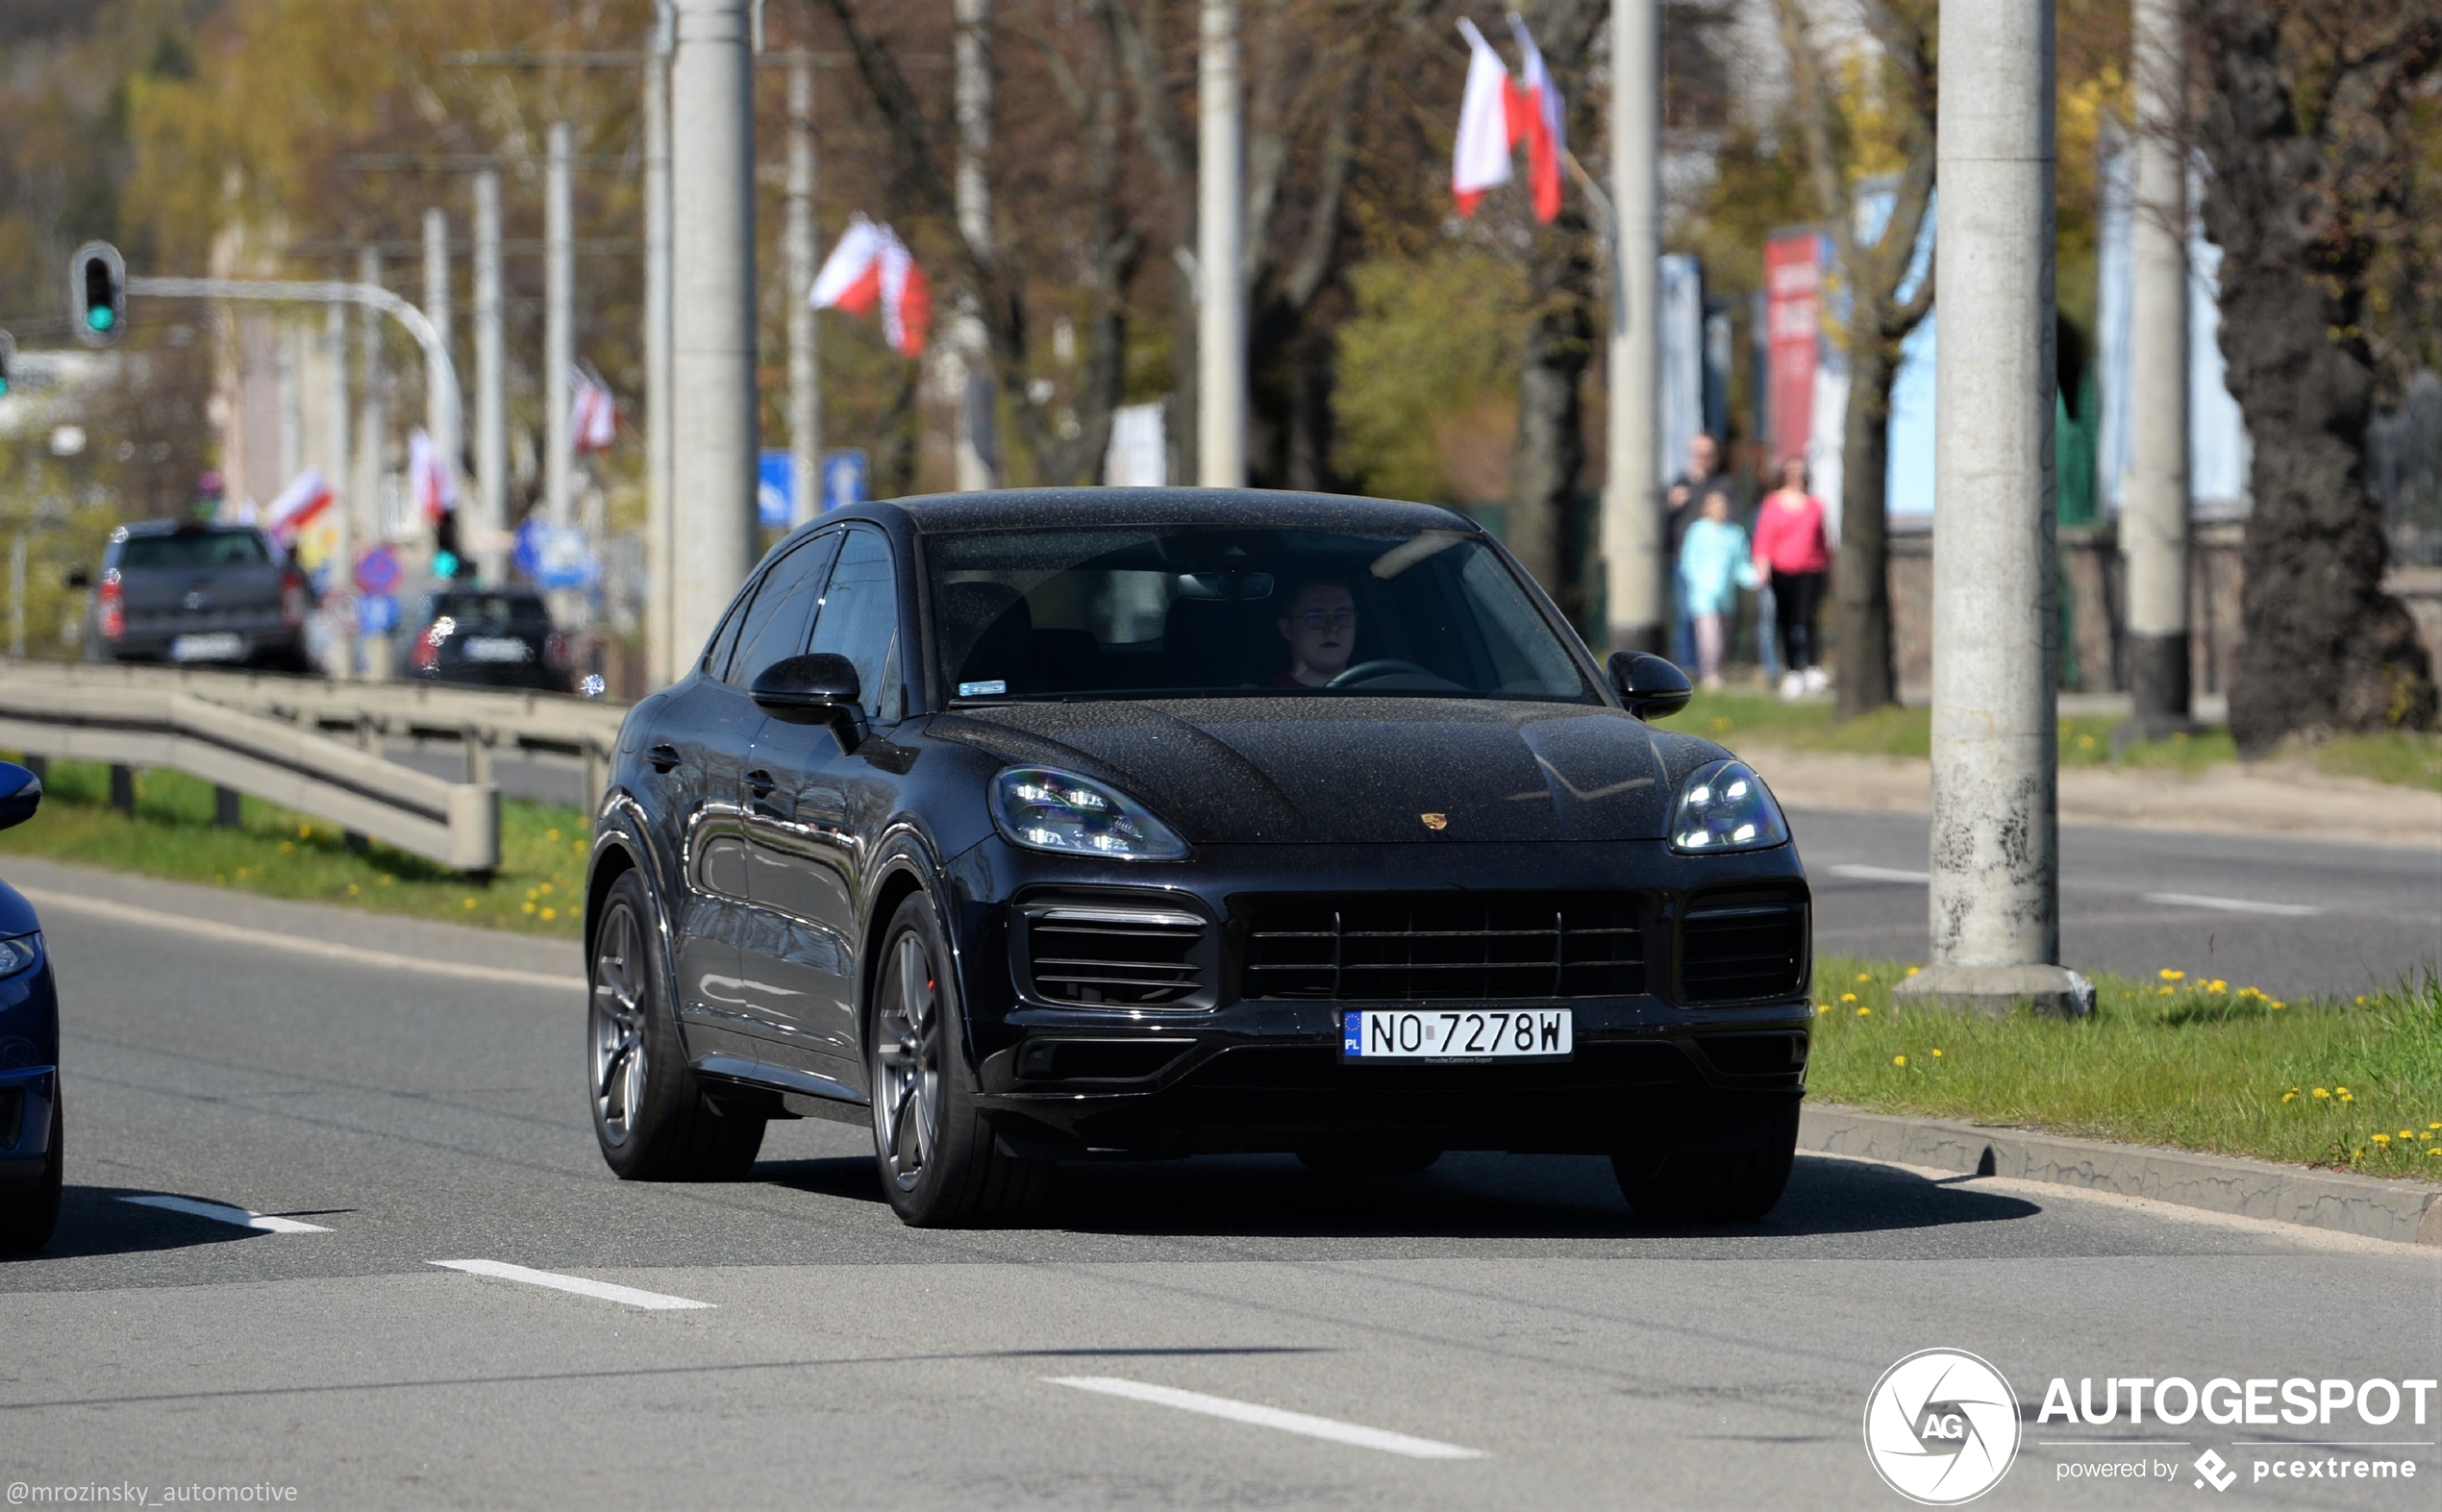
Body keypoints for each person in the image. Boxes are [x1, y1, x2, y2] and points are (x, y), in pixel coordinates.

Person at [1752, 455, 1831, 699]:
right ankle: (1793, 669)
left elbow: (1822, 541)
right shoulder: (1772, 504)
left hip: (1811, 569)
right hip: (1782, 570)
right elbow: (1763, 537)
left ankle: (1813, 666)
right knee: (1785, 621)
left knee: (1807, 618)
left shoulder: (1815, 505)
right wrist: (1761, 564)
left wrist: (1829, 567)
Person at [1676, 484, 1757, 690]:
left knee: (1724, 637)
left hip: (1727, 597)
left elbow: (1741, 565)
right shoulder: (1698, 530)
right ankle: (1709, 674)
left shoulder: (1735, 533)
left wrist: (1755, 579)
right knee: (1710, 638)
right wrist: (1702, 583)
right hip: (1704, 597)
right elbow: (1689, 562)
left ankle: (1720, 672)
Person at [1664, 434, 1730, 667]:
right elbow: (1665, 522)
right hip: (1682, 561)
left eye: (1706, 453)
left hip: (1714, 566)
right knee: (1684, 617)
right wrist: (1671, 505)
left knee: (1714, 619)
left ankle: (1710, 666)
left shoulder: (1722, 484)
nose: (1701, 458)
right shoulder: (1681, 482)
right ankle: (1686, 666)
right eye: (1697, 453)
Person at [1272, 579, 1358, 686]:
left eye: (1342, 615)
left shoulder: (1374, 688)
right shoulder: (1264, 696)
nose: (1332, 627)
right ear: (1287, 629)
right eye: (1316, 616)